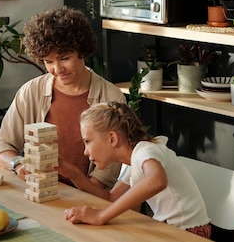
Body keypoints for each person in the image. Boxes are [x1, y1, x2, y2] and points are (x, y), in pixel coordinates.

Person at [0, 7, 126, 196]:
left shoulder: (112, 98)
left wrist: (75, 193)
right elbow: (1, 145)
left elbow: (105, 176)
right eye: (48, 61)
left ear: (82, 52)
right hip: (39, 194)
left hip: (88, 197)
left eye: (64, 58)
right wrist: (17, 164)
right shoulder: (31, 91)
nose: (57, 69)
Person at [64, 101, 212, 239]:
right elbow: (112, 198)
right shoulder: (134, 159)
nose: (85, 151)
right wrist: (73, 174)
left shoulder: (144, 151)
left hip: (189, 233)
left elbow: (157, 181)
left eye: (87, 141)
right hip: (174, 229)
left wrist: (100, 216)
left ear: (112, 138)